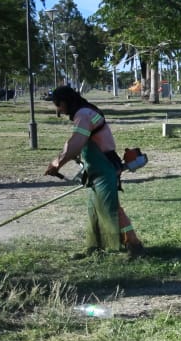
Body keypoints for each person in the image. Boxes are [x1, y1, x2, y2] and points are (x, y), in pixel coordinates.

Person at [45, 86, 145, 259]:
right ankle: (97, 248)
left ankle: (134, 246)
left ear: (64, 102)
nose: (58, 110)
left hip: (104, 167)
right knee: (96, 208)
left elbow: (75, 144)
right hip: (97, 170)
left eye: (57, 105)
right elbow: (75, 144)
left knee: (111, 208)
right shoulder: (86, 112)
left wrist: (57, 163)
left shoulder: (83, 115)